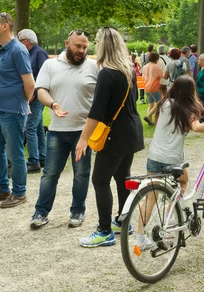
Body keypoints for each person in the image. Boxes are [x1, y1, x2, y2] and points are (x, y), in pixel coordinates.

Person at [135, 76, 204, 249]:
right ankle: (171, 214)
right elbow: (197, 127)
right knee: (183, 181)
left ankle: (139, 238)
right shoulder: (187, 108)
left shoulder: (164, 104)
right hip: (172, 159)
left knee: (151, 196)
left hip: (154, 157)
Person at [75, 27, 144, 248]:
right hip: (131, 130)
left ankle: (104, 230)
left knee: (100, 180)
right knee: (123, 177)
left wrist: (84, 138)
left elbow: (97, 111)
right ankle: (123, 221)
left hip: (115, 133)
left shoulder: (107, 73)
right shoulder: (128, 70)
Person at [30, 30, 100, 229]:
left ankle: (78, 211)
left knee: (81, 174)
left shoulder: (94, 66)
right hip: (57, 131)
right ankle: (40, 212)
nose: (81, 51)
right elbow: (41, 90)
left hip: (83, 132)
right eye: (78, 46)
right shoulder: (50, 65)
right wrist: (53, 104)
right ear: (67, 43)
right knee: (50, 174)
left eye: (85, 47)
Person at [0, 12, 35, 209]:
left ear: (5, 26)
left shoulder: (18, 51)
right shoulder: (2, 50)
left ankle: (19, 192)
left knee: (15, 152)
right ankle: (1, 187)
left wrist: (22, 103)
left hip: (12, 112)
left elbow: (30, 83)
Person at [18, 29, 49, 173]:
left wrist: (34, 93)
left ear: (26, 41)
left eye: (20, 40)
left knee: (29, 127)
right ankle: (42, 157)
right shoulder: (29, 54)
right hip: (33, 95)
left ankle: (34, 161)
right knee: (37, 128)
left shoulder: (39, 53)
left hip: (36, 96)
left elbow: (43, 75)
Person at [142, 52, 164, 126]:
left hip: (146, 86)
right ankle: (149, 117)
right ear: (157, 59)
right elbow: (162, 76)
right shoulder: (157, 67)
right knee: (159, 103)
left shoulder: (145, 66)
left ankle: (150, 121)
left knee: (150, 104)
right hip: (154, 87)